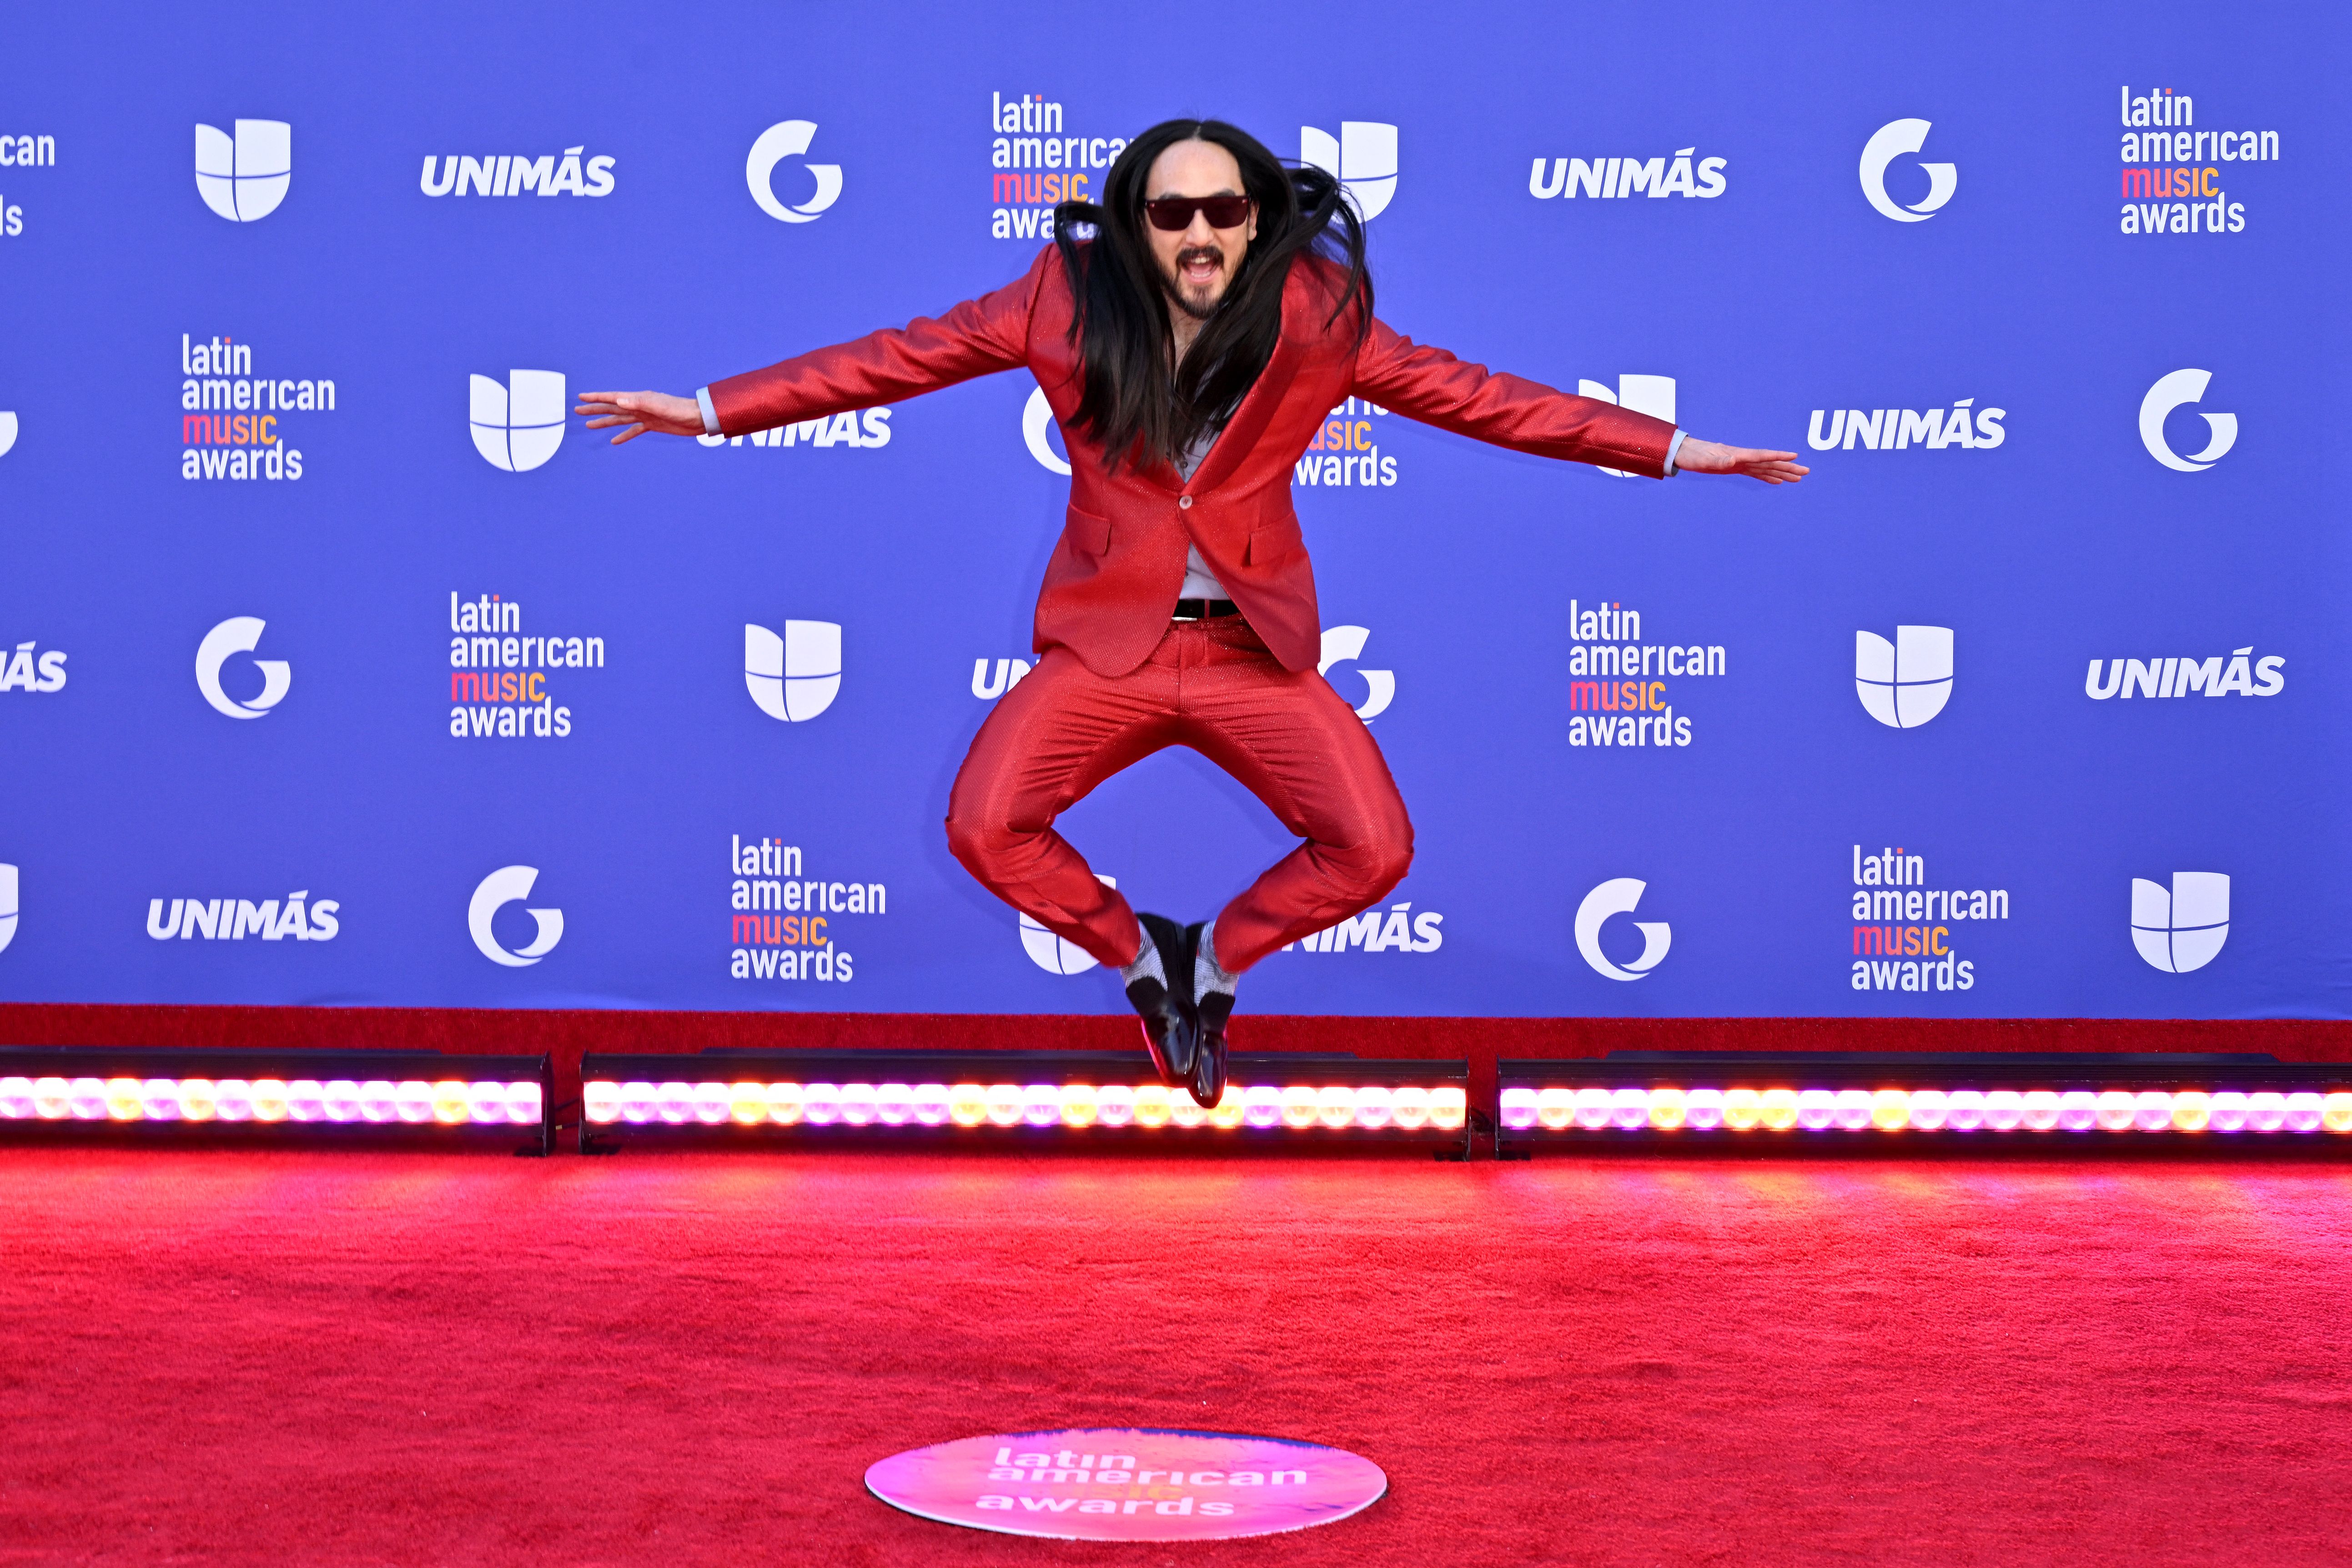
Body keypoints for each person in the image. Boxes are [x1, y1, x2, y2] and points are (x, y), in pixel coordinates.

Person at [578, 118, 1805, 1109]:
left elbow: (1481, 398)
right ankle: (1137, 956)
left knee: (1373, 849)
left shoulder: (1318, 314)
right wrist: (709, 408)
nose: (1200, 232)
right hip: (1109, 647)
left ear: (1257, 217)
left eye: (1224, 209)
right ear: (1137, 225)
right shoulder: (1059, 298)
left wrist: (1677, 449)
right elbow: (894, 358)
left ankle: (1207, 962)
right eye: (1173, 213)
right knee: (983, 825)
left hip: (1248, 653)